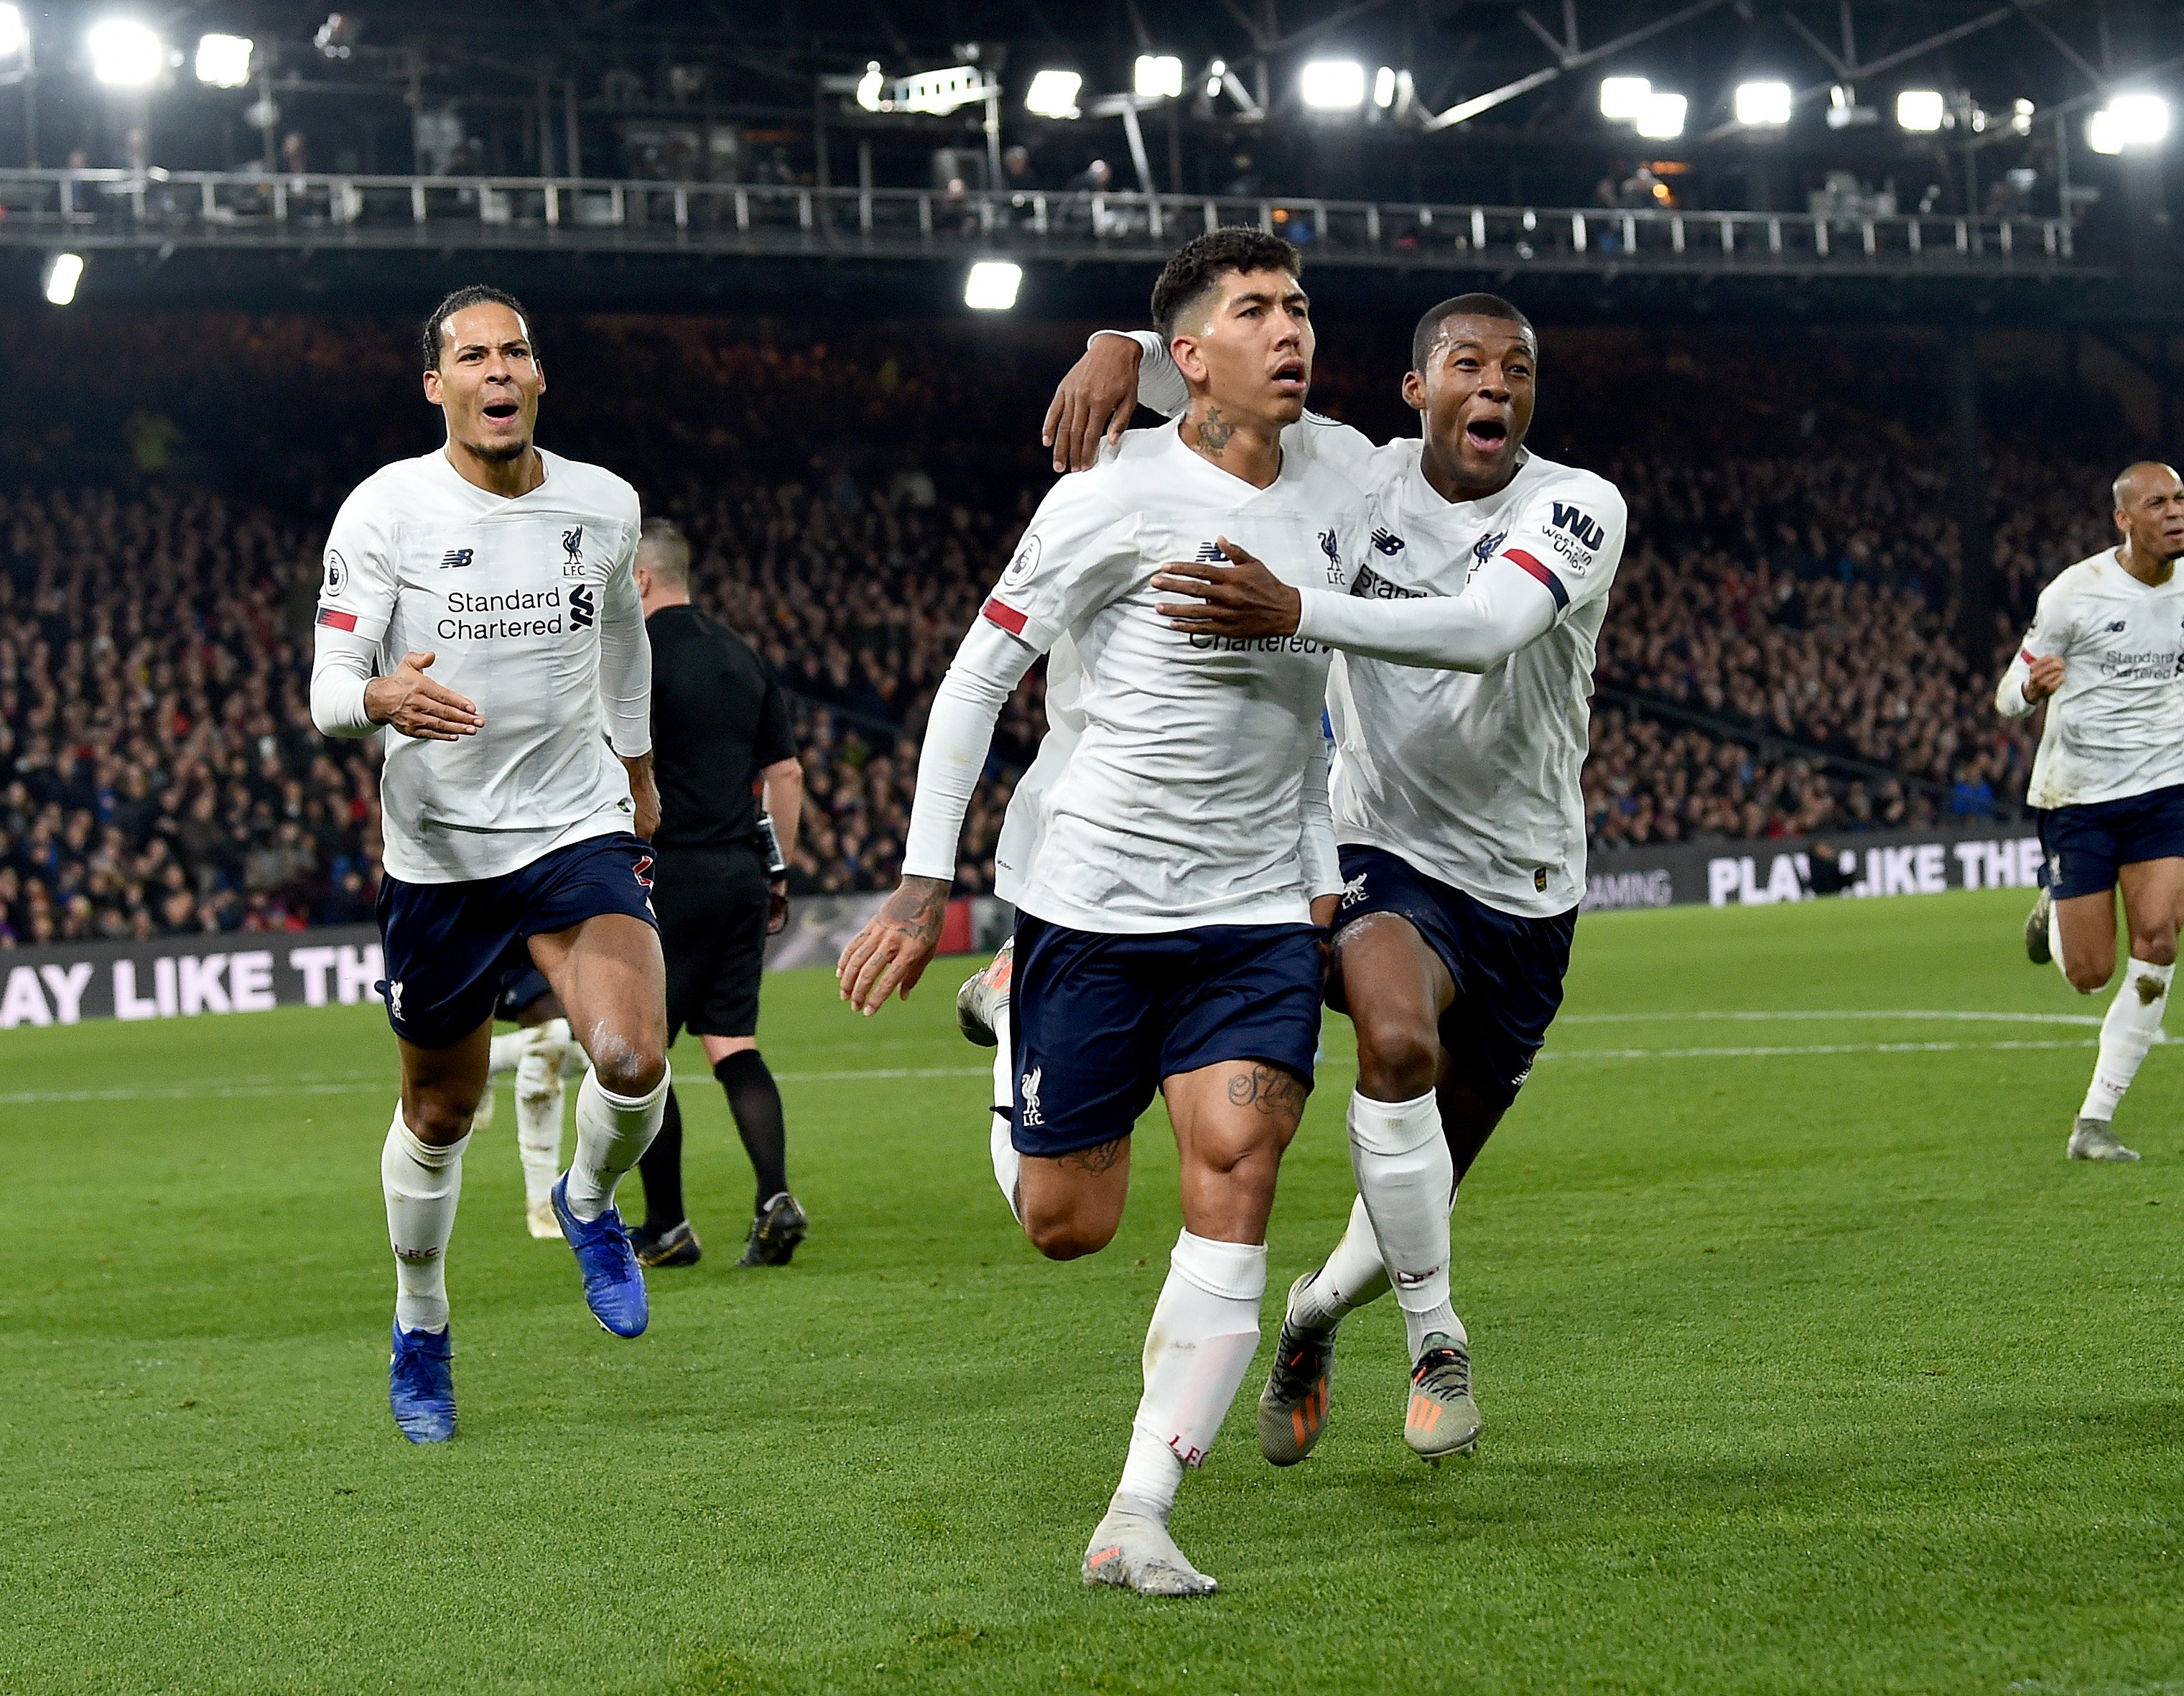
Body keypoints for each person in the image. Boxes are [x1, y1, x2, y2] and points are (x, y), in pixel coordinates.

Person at [837, 228, 1360, 1598]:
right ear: (1192, 357)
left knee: (1240, 1159)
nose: (1290, 328)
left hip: (1249, 912)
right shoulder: (1103, 496)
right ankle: (1010, 1004)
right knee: (1066, 1225)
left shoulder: (1348, 475)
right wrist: (919, 881)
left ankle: (1139, 1505)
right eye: (1254, 310)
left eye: (1299, 306)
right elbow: (971, 685)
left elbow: (1460, 442)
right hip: (1092, 900)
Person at [1032, 292, 1626, 1471]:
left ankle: (1311, 1315)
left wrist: (1297, 607)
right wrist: (1119, 343)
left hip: (1528, 887)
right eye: (1466, 364)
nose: (1494, 385)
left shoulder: (1575, 504)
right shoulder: (1358, 476)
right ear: (1418, 392)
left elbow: (1488, 625)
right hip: (1377, 846)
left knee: (1418, 1189)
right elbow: (1220, 380)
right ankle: (1436, 1338)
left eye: (1516, 367)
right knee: (1394, 1042)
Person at [310, 284, 672, 1444]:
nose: (497, 369)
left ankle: (587, 1200)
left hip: (574, 823)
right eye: (472, 355)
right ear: (438, 385)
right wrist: (377, 694)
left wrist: (640, 765)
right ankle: (421, 1322)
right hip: (440, 856)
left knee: (630, 1057)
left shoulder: (603, 504)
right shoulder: (383, 512)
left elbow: (621, 637)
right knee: (438, 1109)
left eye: (515, 349)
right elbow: (325, 695)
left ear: (539, 376)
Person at [1997, 462, 2184, 1162]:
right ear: (2124, 520)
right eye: (2158, 503)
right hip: (2076, 796)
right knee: (2087, 974)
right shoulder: (2072, 595)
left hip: (2165, 788)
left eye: (2182, 499)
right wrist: (2029, 690)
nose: (2175, 513)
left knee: (2160, 939)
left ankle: (2094, 1122)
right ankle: (2055, 905)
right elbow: (2006, 694)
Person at [626, 518, 809, 1269]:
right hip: (741, 872)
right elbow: (787, 776)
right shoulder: (742, 654)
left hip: (671, 874)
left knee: (644, 1057)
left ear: (637, 579)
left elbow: (626, 767)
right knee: (734, 1044)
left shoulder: (636, 658)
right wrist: (777, 871)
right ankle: (774, 1196)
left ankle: (666, 1225)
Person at [470, 965, 588, 1238]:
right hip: (491, 940)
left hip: (547, 933)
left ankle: (482, 1061)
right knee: (551, 1032)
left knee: (580, 1049)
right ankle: (542, 1206)